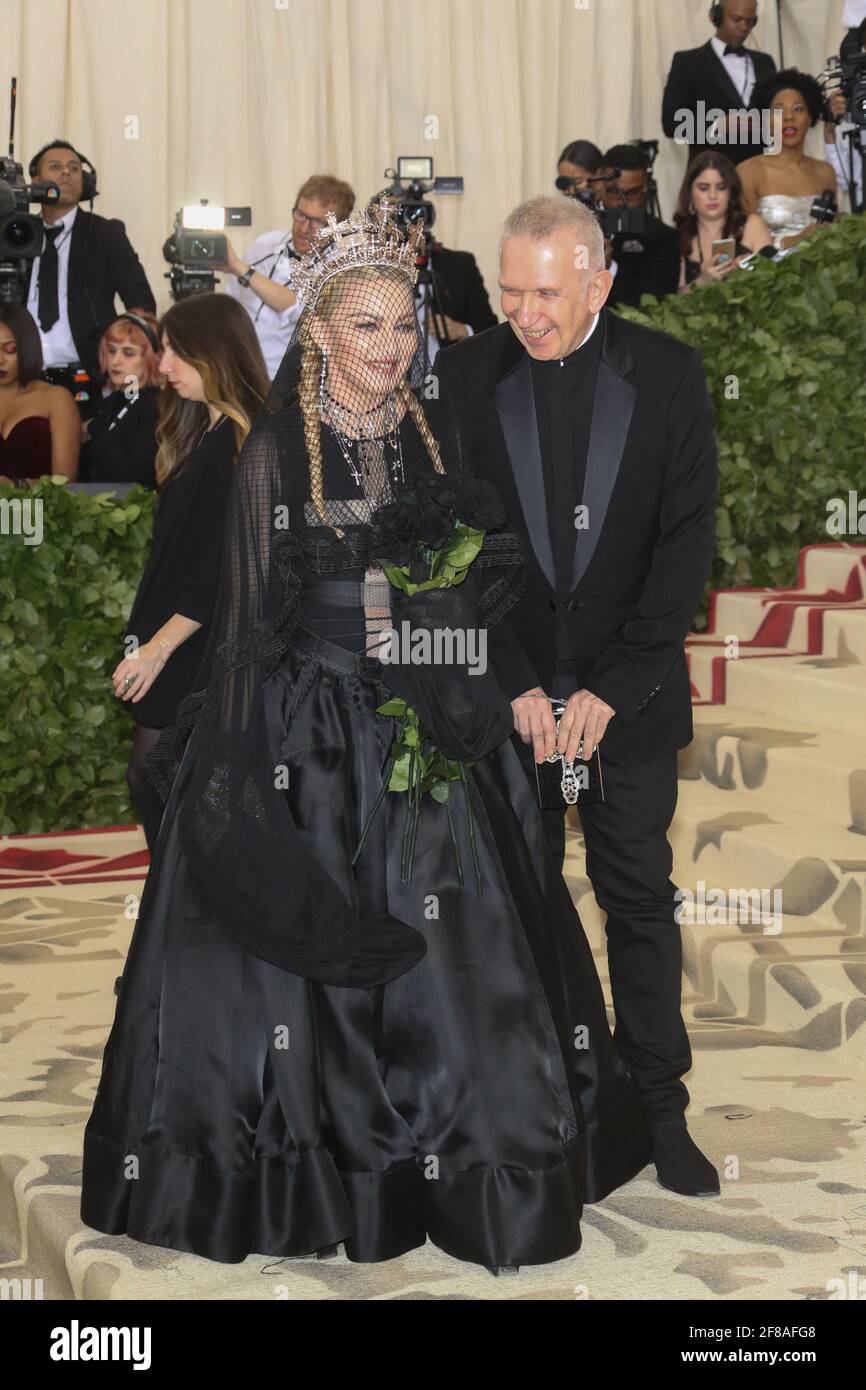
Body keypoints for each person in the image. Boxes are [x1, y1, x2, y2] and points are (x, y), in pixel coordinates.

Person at [79, 201, 654, 1273]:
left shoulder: (426, 435)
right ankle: (314, 1172)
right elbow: (247, 637)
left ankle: (474, 1163)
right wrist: (247, 774)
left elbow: (466, 589)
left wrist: (443, 648)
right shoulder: (266, 460)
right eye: (365, 328)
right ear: (323, 332)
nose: (388, 351)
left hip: (427, 727)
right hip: (309, 732)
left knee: (471, 955)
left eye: (402, 328)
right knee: (293, 971)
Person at [433, 194, 720, 1198]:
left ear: (598, 281)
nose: (523, 311)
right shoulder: (464, 378)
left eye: (545, 292)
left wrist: (613, 682)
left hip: (627, 702)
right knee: (517, 907)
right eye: (508, 289)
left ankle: (660, 1108)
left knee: (636, 902)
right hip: (510, 703)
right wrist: (511, 680)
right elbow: (458, 550)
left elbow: (684, 547)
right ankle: (540, 1107)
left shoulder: (669, 375)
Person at [113, 294, 269, 853]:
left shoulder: (240, 444)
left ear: (216, 352)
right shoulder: (202, 435)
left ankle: (192, 920)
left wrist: (156, 648)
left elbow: (218, 570)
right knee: (171, 786)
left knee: (164, 781)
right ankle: (187, 920)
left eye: (178, 351)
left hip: (198, 647)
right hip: (180, 640)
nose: (164, 365)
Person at [24, 141, 155, 402]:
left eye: (74, 168)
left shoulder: (106, 234)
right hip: (22, 382)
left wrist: (125, 379)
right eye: (55, 167)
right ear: (35, 179)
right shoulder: (16, 233)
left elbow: (142, 305)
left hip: (91, 382)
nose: (66, 173)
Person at [221, 174, 355, 378]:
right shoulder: (266, 244)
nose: (303, 229)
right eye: (300, 215)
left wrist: (240, 268)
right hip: (234, 371)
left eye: (317, 222)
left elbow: (295, 307)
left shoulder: (341, 268)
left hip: (283, 384)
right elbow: (231, 301)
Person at [368, 190, 497, 361]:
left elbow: (491, 330)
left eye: (400, 218)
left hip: (449, 376)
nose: (397, 232)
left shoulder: (460, 266)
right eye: (386, 225)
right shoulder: (365, 275)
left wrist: (463, 331)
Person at [662, 0, 776, 169]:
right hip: (710, 176)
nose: (744, 27)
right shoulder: (688, 62)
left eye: (750, 21)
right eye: (737, 19)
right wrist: (717, 126)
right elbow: (671, 124)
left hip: (759, 174)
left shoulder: (765, 62)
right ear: (715, 17)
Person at [738, 70, 838, 248]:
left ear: (810, 118)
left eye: (798, 109)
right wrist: (797, 240)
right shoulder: (748, 172)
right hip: (769, 273)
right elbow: (743, 246)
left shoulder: (825, 172)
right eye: (779, 110)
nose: (789, 117)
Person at [79, 311, 162, 487]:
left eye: (128, 353)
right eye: (111, 351)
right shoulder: (115, 400)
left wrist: (95, 427)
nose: (115, 361)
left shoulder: (157, 407)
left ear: (150, 358)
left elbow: (132, 474)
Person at [0, 304, 79, 482]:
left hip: (38, 509)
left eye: (10, 349)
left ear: (26, 346)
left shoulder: (56, 398)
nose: (0, 360)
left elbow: (66, 481)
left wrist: (17, 487)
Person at [674, 151, 772, 291]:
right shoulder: (679, 236)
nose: (713, 196)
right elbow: (672, 301)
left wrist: (749, 274)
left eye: (721, 188)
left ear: (731, 192)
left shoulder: (752, 225)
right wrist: (703, 280)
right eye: (704, 188)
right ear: (689, 192)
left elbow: (773, 283)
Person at [601, 145, 680, 307]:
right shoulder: (582, 229)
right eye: (614, 192)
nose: (622, 202)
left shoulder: (663, 238)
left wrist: (610, 267)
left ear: (645, 190)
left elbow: (657, 302)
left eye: (631, 194)